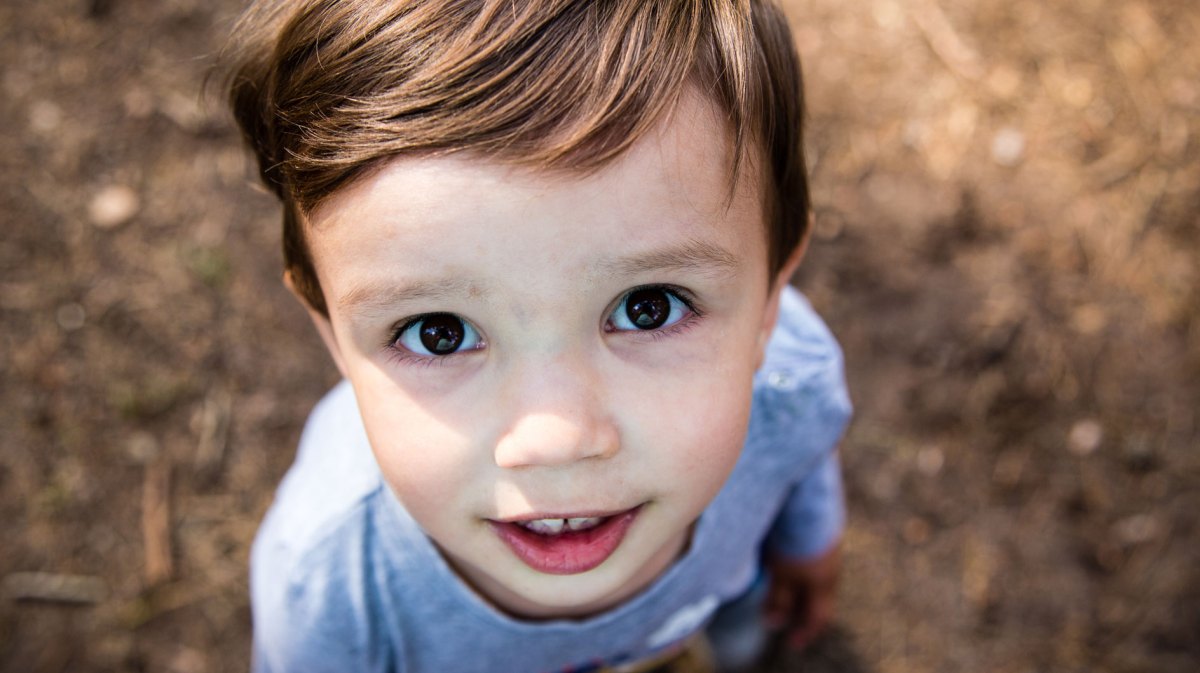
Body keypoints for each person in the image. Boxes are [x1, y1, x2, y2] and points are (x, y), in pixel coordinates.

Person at [224, 1, 851, 671]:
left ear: (768, 303)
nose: (556, 440)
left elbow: (802, 449)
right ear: (331, 331)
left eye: (649, 307)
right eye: (439, 333)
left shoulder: (791, 381)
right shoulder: (331, 592)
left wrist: (808, 542)